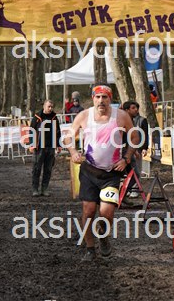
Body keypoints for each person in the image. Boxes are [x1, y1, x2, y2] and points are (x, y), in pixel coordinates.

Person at [64, 84, 137, 261]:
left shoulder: (121, 116)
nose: (101, 101)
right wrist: (73, 152)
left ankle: (103, 235)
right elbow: (68, 137)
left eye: (105, 97)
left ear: (110, 99)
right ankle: (90, 249)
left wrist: (126, 158)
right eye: (97, 97)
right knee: (88, 211)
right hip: (89, 171)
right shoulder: (84, 116)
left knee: (106, 213)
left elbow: (135, 137)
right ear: (93, 99)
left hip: (111, 173)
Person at [30, 100, 61, 196]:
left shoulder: (54, 118)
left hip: (51, 146)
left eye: (52, 107)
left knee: (48, 169)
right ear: (44, 106)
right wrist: (31, 144)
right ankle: (35, 189)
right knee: (37, 168)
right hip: (39, 147)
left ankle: (45, 189)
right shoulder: (37, 117)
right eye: (49, 106)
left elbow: (58, 132)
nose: (50, 108)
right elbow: (31, 131)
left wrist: (58, 145)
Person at [122, 101, 149, 198]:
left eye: (137, 108)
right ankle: (123, 191)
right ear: (127, 110)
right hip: (123, 152)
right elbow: (126, 138)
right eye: (133, 108)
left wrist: (139, 149)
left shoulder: (137, 121)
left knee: (134, 173)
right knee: (133, 173)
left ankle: (125, 191)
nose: (136, 110)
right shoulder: (122, 121)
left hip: (131, 151)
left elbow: (139, 136)